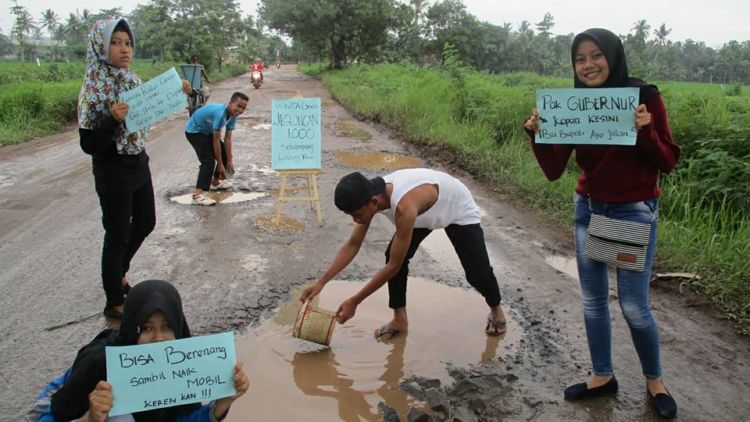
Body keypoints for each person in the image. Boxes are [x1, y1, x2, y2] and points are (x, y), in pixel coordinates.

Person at [523, 28, 680, 418]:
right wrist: (538, 136)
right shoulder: (571, 105)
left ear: (612, 56)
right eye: (580, 59)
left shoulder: (644, 98)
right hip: (590, 209)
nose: (588, 65)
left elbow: (668, 161)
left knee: (632, 306)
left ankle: (654, 381)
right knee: (593, 302)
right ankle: (602, 376)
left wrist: (643, 131)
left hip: (630, 212)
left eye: (596, 56)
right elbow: (554, 170)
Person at [300, 168, 507, 340]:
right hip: (422, 214)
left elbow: (393, 267)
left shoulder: (404, 208)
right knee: (394, 254)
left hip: (455, 208)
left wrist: (355, 301)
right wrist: (321, 282)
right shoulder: (371, 195)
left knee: (477, 274)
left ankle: (496, 310)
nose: (355, 220)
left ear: (373, 203)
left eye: (356, 214)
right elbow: (352, 245)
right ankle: (399, 320)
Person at [77, 18, 190, 319]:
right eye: (115, 42)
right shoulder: (93, 88)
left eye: (127, 42)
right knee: (116, 235)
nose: (123, 49)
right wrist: (111, 119)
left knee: (146, 221)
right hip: (112, 168)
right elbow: (88, 144)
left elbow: (156, 103)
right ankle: (114, 299)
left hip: (138, 160)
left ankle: (119, 272)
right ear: (101, 47)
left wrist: (180, 90)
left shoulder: (131, 79)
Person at [37, 280, 250, 421]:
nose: (159, 339)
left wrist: (224, 400)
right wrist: (90, 419)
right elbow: (46, 417)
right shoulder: (100, 364)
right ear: (131, 328)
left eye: (167, 327)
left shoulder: (182, 364)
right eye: (146, 328)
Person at [184, 92, 249, 206]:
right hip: (195, 131)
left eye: (243, 108)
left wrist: (229, 160)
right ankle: (198, 195)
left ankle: (215, 181)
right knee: (208, 161)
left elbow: (227, 138)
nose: (240, 110)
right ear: (230, 103)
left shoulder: (233, 115)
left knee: (223, 153)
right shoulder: (221, 114)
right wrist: (219, 164)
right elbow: (216, 140)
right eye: (238, 106)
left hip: (207, 131)